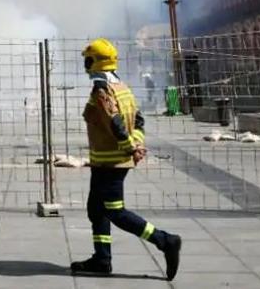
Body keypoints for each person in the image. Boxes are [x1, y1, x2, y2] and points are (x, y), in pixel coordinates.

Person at [71, 38, 182, 279]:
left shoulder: (102, 90)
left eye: (87, 59)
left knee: (116, 212)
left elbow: (115, 122)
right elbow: (139, 120)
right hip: (105, 161)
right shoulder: (122, 86)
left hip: (111, 162)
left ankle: (165, 241)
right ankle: (101, 259)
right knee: (96, 210)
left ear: (94, 62)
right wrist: (138, 143)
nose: (85, 64)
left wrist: (131, 148)